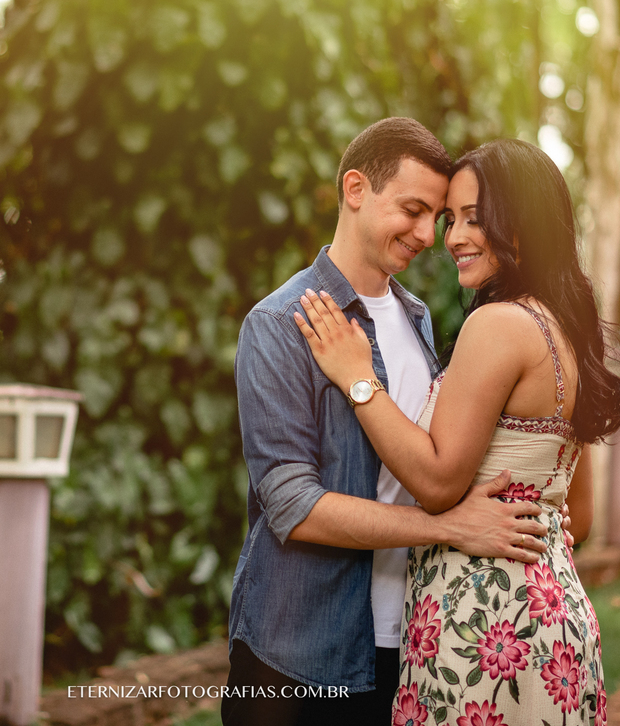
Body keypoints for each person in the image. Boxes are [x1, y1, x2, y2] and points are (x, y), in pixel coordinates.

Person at [224, 119, 553, 726]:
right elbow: (293, 505)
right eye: (413, 209)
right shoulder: (279, 324)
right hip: (296, 658)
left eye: (439, 215)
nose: (429, 234)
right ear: (355, 189)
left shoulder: (418, 319)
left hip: (404, 645)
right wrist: (448, 526)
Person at [295, 138, 620, 726]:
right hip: (555, 622)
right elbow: (583, 514)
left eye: (476, 218)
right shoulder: (568, 330)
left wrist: (358, 379)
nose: (452, 237)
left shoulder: (498, 325)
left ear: (523, 226)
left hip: (483, 625)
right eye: (453, 219)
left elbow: (439, 481)